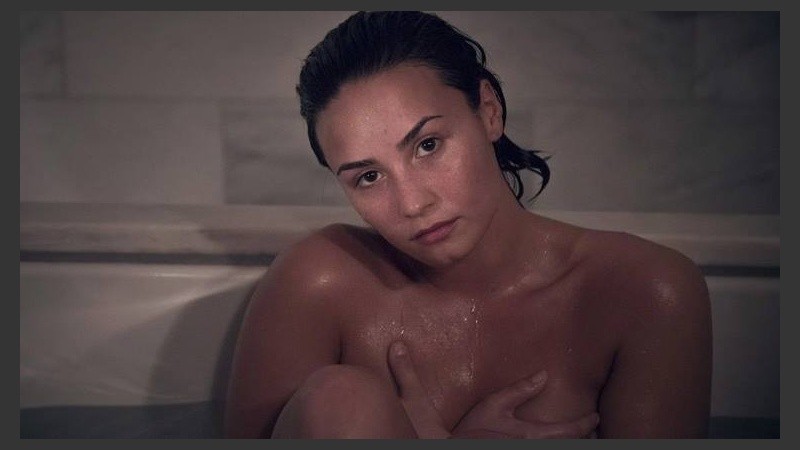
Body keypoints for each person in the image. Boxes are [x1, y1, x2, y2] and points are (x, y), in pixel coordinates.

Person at [223, 11, 712, 439]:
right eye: (368, 177)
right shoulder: (319, 283)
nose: (413, 203)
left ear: (489, 112)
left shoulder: (642, 290)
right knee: (342, 400)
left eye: (428, 145)